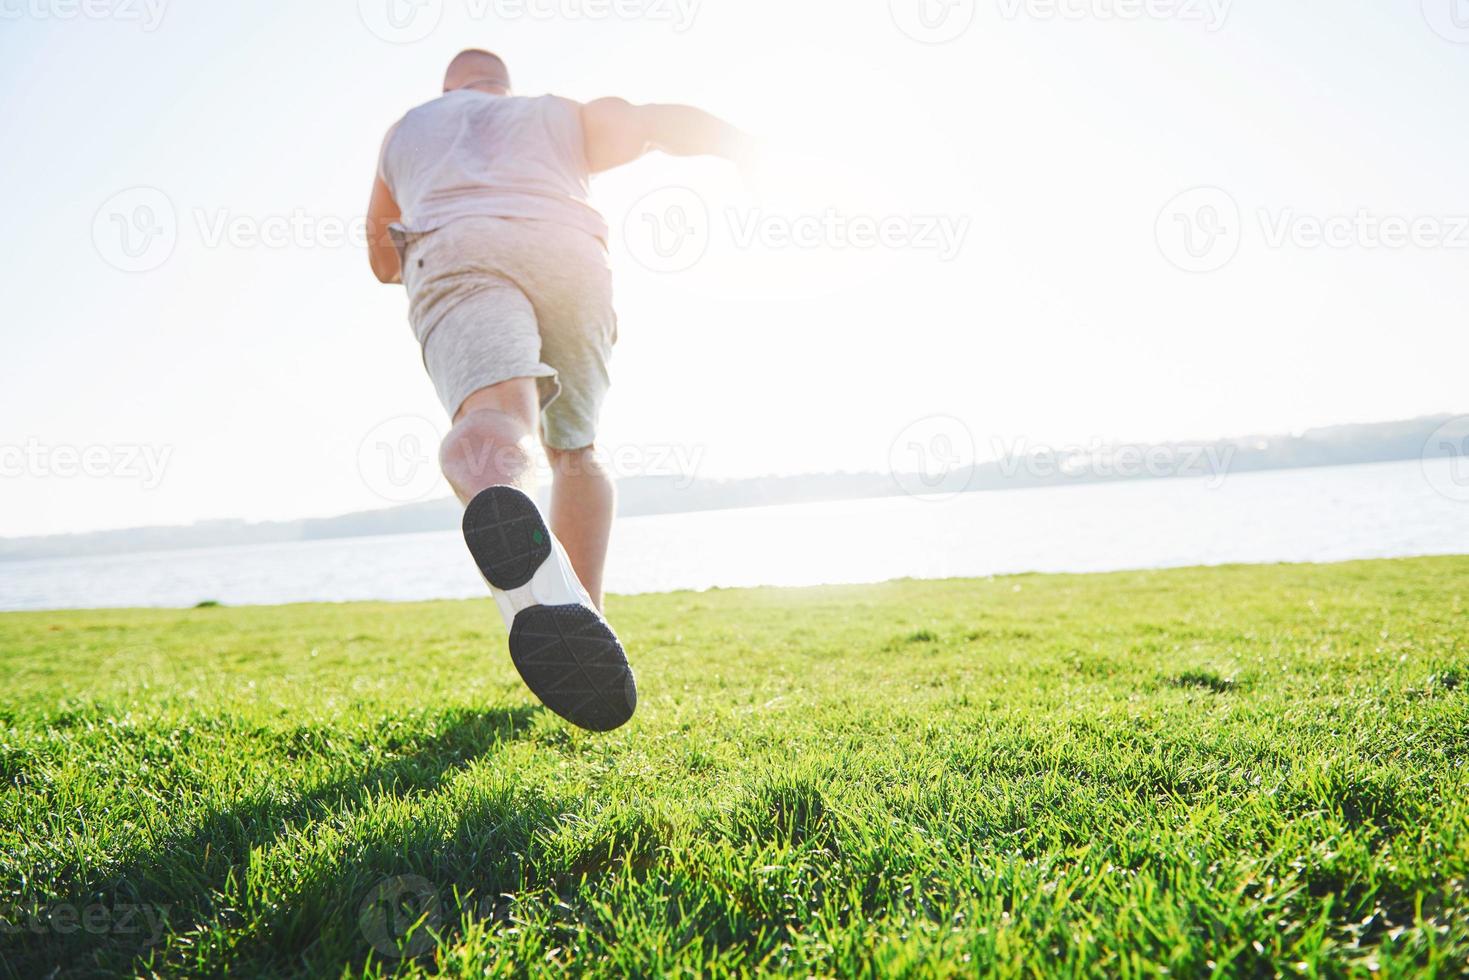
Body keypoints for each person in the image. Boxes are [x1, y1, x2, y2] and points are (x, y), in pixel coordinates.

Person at [366, 49, 752, 732]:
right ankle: (583, 610)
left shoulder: (407, 130)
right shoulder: (553, 113)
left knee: (496, 415)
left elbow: (378, 258)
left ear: (448, 86)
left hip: (453, 241)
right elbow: (648, 124)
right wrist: (746, 149)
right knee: (575, 446)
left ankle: (508, 506)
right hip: (566, 246)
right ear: (500, 84)